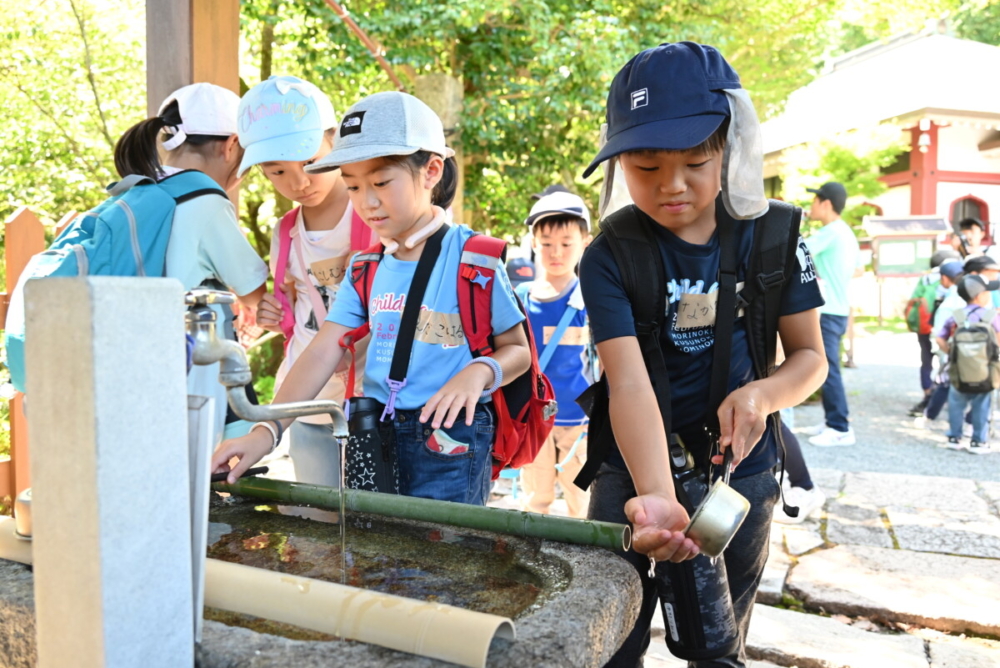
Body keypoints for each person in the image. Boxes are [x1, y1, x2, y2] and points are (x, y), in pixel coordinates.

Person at [578, 42, 826, 667]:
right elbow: (628, 384)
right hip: (631, 474)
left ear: (730, 148)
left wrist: (761, 395)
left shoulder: (776, 236)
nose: (673, 186)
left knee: (718, 642)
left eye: (695, 160)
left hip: (736, 477)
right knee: (608, 640)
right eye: (645, 167)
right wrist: (656, 498)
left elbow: (809, 358)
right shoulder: (608, 256)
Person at [211, 91, 531, 504]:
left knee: (443, 559)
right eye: (354, 187)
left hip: (450, 441)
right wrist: (266, 430)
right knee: (375, 556)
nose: (368, 202)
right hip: (375, 438)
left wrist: (478, 373)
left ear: (431, 170)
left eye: (381, 183)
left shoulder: (473, 260)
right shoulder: (366, 267)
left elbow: (518, 350)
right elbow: (322, 350)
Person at [235, 75, 372, 487]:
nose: (298, 182)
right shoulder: (285, 232)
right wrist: (274, 312)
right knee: (318, 519)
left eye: (310, 162)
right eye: (277, 171)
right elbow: (294, 304)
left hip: (366, 399)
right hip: (305, 400)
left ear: (334, 139)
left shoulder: (371, 212)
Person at [114, 82, 269, 444]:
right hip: (196, 366)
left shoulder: (138, 191)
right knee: (217, 470)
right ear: (232, 145)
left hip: (140, 360)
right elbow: (254, 292)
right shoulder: (205, 197)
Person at [515, 191, 593, 518]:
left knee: (583, 502)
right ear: (533, 243)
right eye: (546, 243)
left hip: (581, 421)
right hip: (534, 418)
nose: (556, 252)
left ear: (585, 242)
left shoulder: (593, 298)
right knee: (535, 501)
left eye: (566, 242)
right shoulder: (519, 297)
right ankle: (531, 561)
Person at [801, 181, 860, 447]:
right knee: (828, 367)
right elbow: (858, 271)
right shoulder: (846, 233)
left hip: (828, 310)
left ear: (826, 204)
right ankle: (832, 422)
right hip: (839, 307)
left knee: (828, 369)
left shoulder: (831, 232)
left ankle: (840, 427)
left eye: (815, 201)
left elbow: (797, 249)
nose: (811, 206)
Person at [935, 274, 1000, 455]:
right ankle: (978, 441)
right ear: (979, 296)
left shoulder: (957, 316)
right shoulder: (990, 316)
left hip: (960, 370)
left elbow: (940, 338)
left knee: (956, 402)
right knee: (982, 405)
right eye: (987, 291)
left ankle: (954, 437)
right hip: (984, 371)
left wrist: (953, 353)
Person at [906, 249, 962, 417]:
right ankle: (933, 405)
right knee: (946, 371)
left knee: (928, 362)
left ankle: (928, 399)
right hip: (947, 338)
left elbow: (915, 299)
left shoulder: (927, 280)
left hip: (927, 328)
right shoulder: (961, 292)